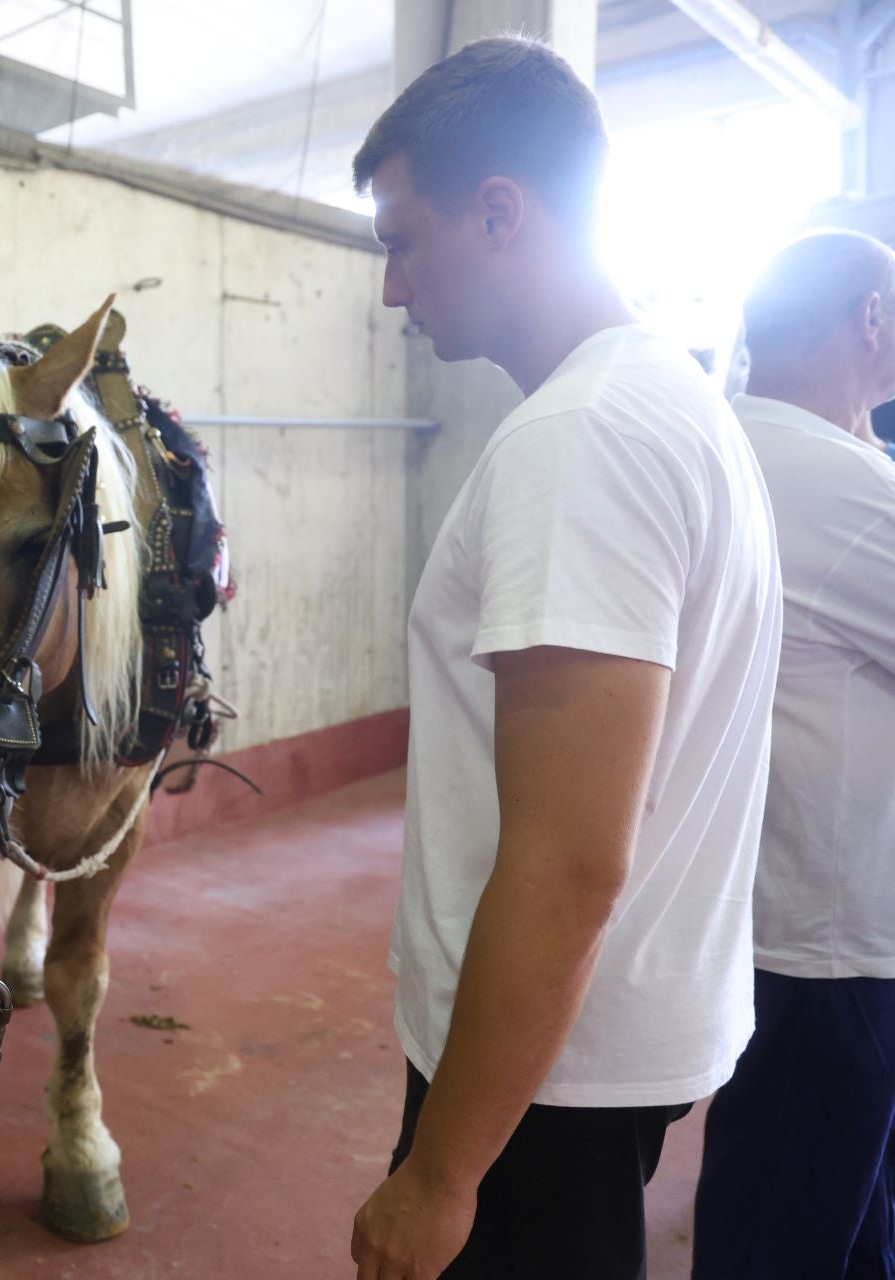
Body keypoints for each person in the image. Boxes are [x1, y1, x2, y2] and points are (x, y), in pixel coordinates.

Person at [346, 36, 782, 1280]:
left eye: (402, 238)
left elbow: (572, 860)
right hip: (580, 1054)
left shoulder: (580, 437)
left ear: (499, 212)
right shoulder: (666, 400)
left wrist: (439, 1172)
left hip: (540, 1083)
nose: (392, 287)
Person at [692, 229, 895, 1280]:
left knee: (833, 1223)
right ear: (871, 316)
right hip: (833, 946)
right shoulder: (840, 486)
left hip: (766, 929)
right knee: (789, 1233)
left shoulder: (732, 443)